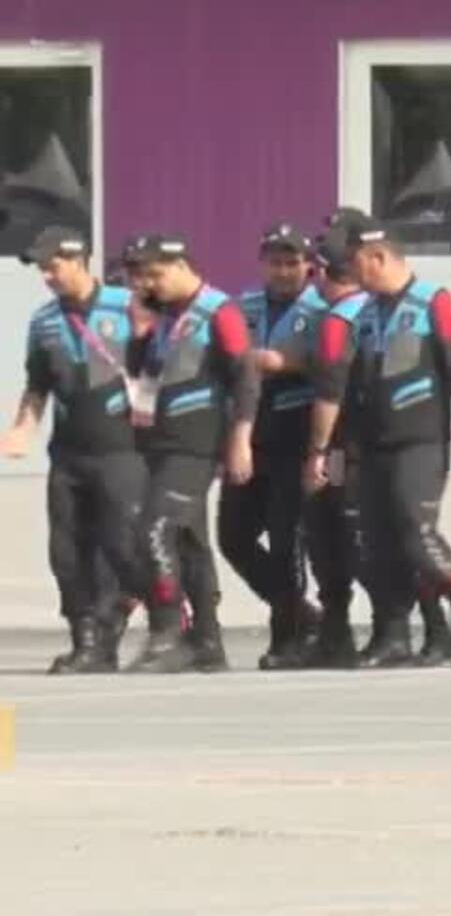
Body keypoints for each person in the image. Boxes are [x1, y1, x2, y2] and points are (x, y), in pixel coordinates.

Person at [305, 219, 451, 668]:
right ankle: (400, 634)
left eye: (356, 264)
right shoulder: (366, 313)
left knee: (415, 528)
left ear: (379, 258)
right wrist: (334, 449)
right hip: (371, 445)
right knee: (378, 542)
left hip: (420, 440)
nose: (352, 274)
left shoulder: (434, 302)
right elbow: (348, 388)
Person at [0, 227, 150, 673]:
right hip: (68, 454)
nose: (47, 275)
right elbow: (37, 387)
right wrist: (21, 431)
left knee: (119, 544)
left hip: (123, 449)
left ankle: (117, 619)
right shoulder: (43, 321)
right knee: (67, 550)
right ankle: (86, 638)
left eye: (54, 265)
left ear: (80, 259)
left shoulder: (128, 308)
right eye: (42, 268)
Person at [119, 234, 260, 673]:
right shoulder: (164, 316)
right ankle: (207, 641)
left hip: (196, 444)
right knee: (190, 542)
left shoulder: (220, 311)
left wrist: (240, 438)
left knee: (154, 530)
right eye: (141, 276)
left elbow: (246, 377)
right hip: (160, 442)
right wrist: (140, 333)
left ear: (181, 266)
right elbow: (141, 373)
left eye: (155, 274)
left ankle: (167, 633)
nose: (148, 284)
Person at [219, 222, 329, 670]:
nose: (283, 271)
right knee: (234, 537)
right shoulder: (242, 306)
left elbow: (334, 362)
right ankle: (301, 612)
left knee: (288, 539)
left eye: (292, 263)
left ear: (308, 266)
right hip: (249, 433)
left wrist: (286, 362)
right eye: (275, 262)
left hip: (296, 432)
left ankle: (287, 635)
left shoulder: (323, 307)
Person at [298, 220, 370, 668]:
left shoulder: (337, 321)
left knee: (330, 531)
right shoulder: (376, 308)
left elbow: (329, 394)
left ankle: (339, 629)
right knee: (345, 534)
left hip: (343, 448)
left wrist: (317, 454)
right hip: (375, 441)